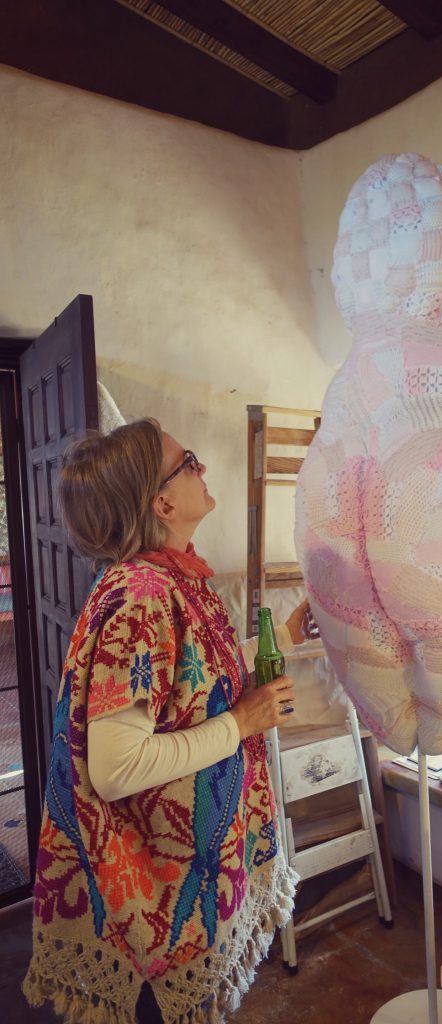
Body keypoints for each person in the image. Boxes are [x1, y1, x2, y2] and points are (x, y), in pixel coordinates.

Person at [22, 418, 314, 1024]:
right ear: (161, 503)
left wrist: (284, 635)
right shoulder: (142, 597)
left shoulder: (169, 577)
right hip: (153, 885)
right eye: (189, 462)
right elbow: (116, 768)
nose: (201, 469)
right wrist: (242, 723)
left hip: (179, 867)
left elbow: (196, 676)